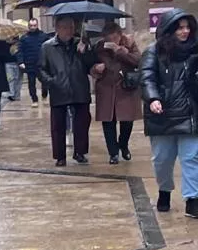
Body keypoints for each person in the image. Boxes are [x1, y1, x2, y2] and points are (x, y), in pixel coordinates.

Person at [141, 10, 198, 215]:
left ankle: (193, 199)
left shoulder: (195, 51)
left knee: (192, 157)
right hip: (162, 115)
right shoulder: (153, 52)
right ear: (169, 30)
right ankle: (164, 190)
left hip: (190, 113)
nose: (185, 32)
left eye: (187, 27)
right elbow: (147, 77)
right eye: (180, 28)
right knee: (162, 160)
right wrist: (153, 98)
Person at [38, 18, 96, 165]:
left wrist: (85, 51)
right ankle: (60, 156)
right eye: (65, 27)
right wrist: (52, 82)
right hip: (59, 89)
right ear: (57, 28)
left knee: (82, 123)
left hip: (79, 88)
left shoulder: (80, 43)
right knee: (58, 125)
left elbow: (91, 64)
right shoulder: (47, 47)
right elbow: (41, 69)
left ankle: (80, 152)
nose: (69, 30)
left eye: (71, 27)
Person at [92, 20, 142, 164]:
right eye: (108, 39)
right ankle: (113, 153)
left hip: (125, 88)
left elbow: (138, 61)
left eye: (114, 38)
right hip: (106, 88)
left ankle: (123, 145)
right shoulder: (99, 47)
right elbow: (90, 65)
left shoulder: (129, 44)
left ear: (120, 35)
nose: (111, 41)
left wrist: (120, 51)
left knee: (127, 121)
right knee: (108, 122)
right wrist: (96, 68)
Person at [18, 18, 48, 103]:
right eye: (31, 25)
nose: (33, 27)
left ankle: (44, 94)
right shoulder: (24, 38)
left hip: (41, 63)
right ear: (28, 26)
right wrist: (21, 61)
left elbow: (49, 49)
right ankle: (34, 100)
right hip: (29, 64)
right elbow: (20, 50)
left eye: (34, 25)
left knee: (44, 81)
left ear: (37, 25)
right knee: (31, 83)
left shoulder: (44, 36)